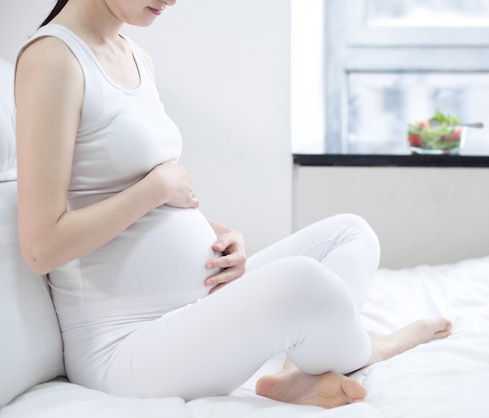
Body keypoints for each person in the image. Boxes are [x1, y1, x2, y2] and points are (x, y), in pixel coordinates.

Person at [14, 0, 452, 408]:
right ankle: (373, 347)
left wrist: (221, 232)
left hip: (195, 309)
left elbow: (143, 200)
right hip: (125, 349)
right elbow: (41, 246)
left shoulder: (134, 54)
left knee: (350, 233)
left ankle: (293, 374)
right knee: (302, 282)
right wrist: (156, 188)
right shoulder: (52, 59)